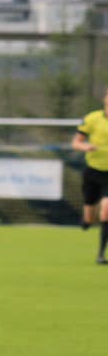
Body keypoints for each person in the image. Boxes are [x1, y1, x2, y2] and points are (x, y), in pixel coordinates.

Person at [72, 88, 108, 264]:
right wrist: (86, 147)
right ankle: (86, 221)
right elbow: (76, 143)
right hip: (93, 171)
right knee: (89, 218)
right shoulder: (93, 119)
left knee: (106, 210)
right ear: (105, 99)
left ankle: (101, 254)